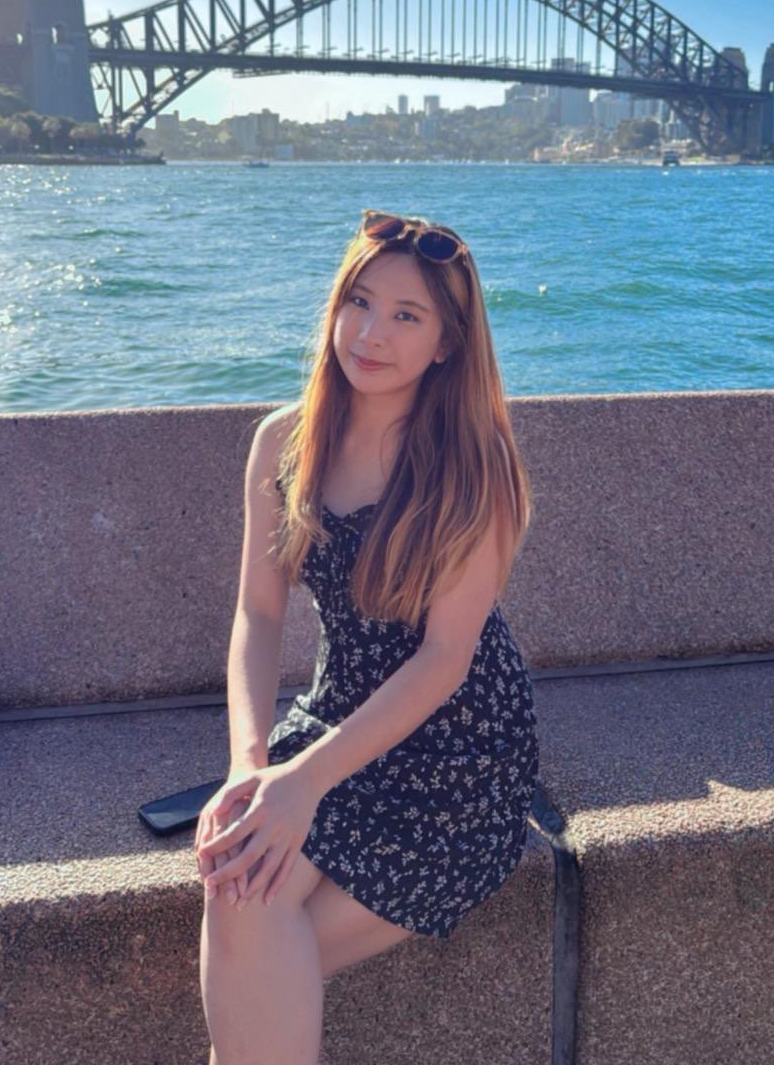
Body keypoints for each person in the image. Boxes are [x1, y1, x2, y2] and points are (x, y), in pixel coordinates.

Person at [197, 208, 539, 1065]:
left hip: (457, 751)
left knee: (251, 947)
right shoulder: (284, 441)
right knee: (240, 889)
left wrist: (302, 785)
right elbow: (258, 614)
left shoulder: (476, 465)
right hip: (336, 717)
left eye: (406, 315)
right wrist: (248, 767)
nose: (370, 334)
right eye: (359, 302)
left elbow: (445, 659)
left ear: (448, 343)